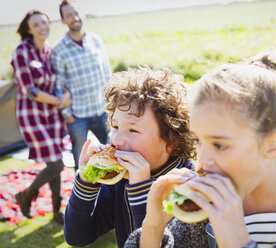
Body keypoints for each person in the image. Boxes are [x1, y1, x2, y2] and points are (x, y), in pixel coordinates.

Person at [125, 49, 276, 248]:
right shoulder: (202, 207)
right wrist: (153, 226)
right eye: (198, 141)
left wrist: (235, 237)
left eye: (219, 144)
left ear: (273, 145)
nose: (203, 160)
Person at [63, 66, 196, 247]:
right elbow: (77, 236)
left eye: (133, 130)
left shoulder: (188, 190)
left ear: (171, 141)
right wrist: (86, 181)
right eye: (116, 127)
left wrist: (140, 191)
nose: (116, 140)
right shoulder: (121, 179)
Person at [11, 10, 71, 224]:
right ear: (28, 29)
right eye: (36, 25)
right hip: (32, 115)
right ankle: (26, 194)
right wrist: (58, 100)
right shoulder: (21, 52)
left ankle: (56, 212)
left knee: (56, 161)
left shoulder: (51, 51)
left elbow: (61, 81)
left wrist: (65, 95)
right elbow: (29, 90)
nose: (42, 27)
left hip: (52, 115)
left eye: (44, 23)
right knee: (56, 165)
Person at [52, 0, 112, 171]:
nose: (75, 18)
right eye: (69, 15)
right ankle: (82, 194)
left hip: (102, 110)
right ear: (63, 20)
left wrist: (111, 104)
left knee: (110, 153)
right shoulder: (59, 50)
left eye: (76, 13)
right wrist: (67, 114)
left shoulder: (95, 40)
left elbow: (106, 73)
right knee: (81, 160)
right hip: (78, 115)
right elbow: (58, 85)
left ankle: (111, 192)